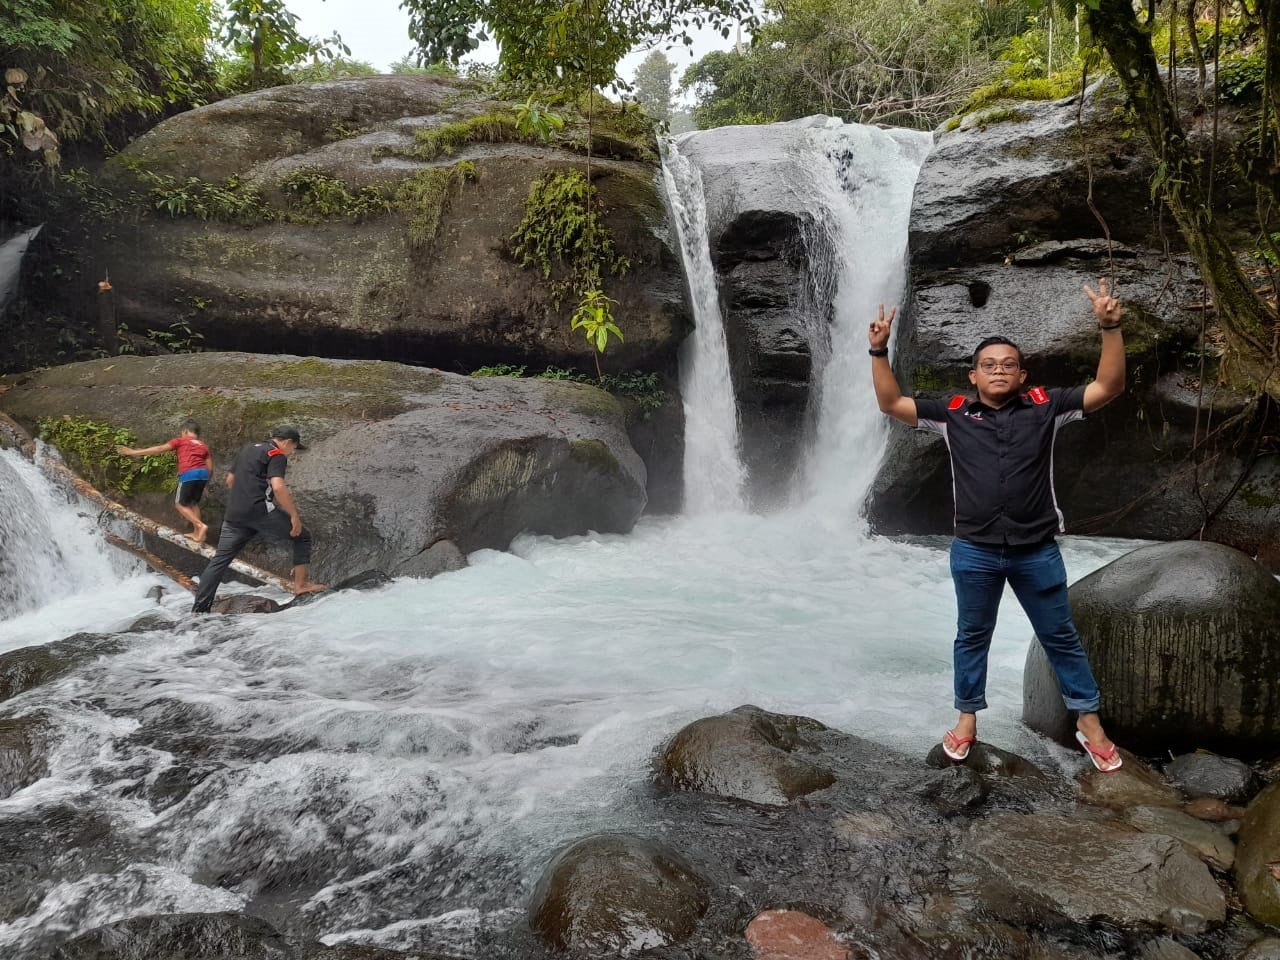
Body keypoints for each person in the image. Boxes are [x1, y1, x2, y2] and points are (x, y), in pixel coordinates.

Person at [868, 279, 1126, 773]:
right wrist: (878, 351)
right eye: (989, 365)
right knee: (972, 636)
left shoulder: (1047, 407)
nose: (999, 370)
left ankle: (1088, 723)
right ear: (973, 375)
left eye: (1008, 364)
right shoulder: (953, 414)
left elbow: (1108, 387)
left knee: (1061, 636)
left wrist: (1109, 327)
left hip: (1036, 549)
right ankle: (967, 718)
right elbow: (891, 404)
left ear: (1022, 373)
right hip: (976, 550)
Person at [191, 425, 326, 613]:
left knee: (220, 561)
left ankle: (199, 611)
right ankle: (301, 585)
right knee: (302, 536)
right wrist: (294, 515)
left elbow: (230, 480)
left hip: (234, 514)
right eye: (293, 448)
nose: (292, 453)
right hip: (260, 511)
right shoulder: (276, 454)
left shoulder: (247, 449)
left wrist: (245, 496)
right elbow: (278, 487)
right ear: (287, 442)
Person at [117, 419, 212, 543]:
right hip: (203, 474)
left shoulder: (180, 441)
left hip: (189, 473)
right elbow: (209, 467)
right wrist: (204, 483)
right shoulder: (203, 446)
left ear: (185, 431)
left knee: (180, 504)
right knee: (193, 503)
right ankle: (198, 534)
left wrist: (134, 452)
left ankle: (200, 526)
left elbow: (159, 449)